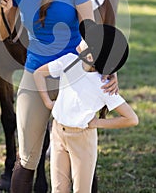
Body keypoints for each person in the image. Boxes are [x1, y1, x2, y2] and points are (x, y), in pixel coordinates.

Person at [0, 0, 119, 192]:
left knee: (79, 155)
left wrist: (107, 66)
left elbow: (91, 30)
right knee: (26, 158)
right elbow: (2, 33)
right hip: (35, 72)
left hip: (74, 76)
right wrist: (5, 11)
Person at [33, 20, 139, 193]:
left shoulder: (102, 86)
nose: (80, 41)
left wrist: (96, 123)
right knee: (58, 189)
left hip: (82, 139)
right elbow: (39, 73)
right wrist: (47, 102)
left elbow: (131, 118)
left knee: (81, 190)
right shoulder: (68, 61)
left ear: (90, 55)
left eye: (84, 41)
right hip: (58, 133)